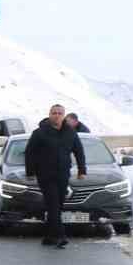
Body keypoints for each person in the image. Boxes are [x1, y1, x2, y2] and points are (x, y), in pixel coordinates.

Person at [25, 103, 87, 249]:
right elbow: (30, 153)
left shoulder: (70, 132)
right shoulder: (39, 133)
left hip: (63, 174)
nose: (57, 115)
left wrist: (82, 170)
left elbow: (79, 151)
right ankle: (60, 236)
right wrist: (30, 172)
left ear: (64, 116)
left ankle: (49, 236)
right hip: (45, 175)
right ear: (49, 114)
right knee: (53, 204)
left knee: (57, 206)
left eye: (60, 113)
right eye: (54, 113)